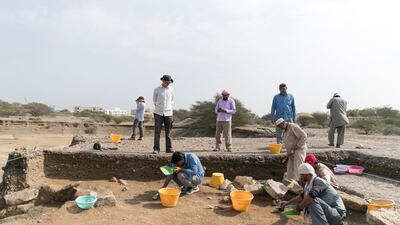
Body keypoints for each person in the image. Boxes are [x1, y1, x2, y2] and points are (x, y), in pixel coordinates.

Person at [280, 163, 346, 225]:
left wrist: (299, 208)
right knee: (307, 199)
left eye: (301, 175)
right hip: (330, 214)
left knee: (311, 200)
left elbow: (311, 196)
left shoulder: (319, 182)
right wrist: (287, 203)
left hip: (337, 214)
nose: (300, 177)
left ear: (307, 174)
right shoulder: (309, 185)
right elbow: (302, 196)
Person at [153, 75, 175, 154]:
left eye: (169, 82)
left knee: (168, 132)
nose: (168, 83)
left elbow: (172, 100)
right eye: (167, 82)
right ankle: (156, 149)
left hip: (169, 113)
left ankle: (169, 148)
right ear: (163, 81)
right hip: (158, 113)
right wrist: (159, 107)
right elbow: (154, 100)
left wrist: (169, 108)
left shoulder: (171, 89)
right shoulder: (157, 89)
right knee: (157, 132)